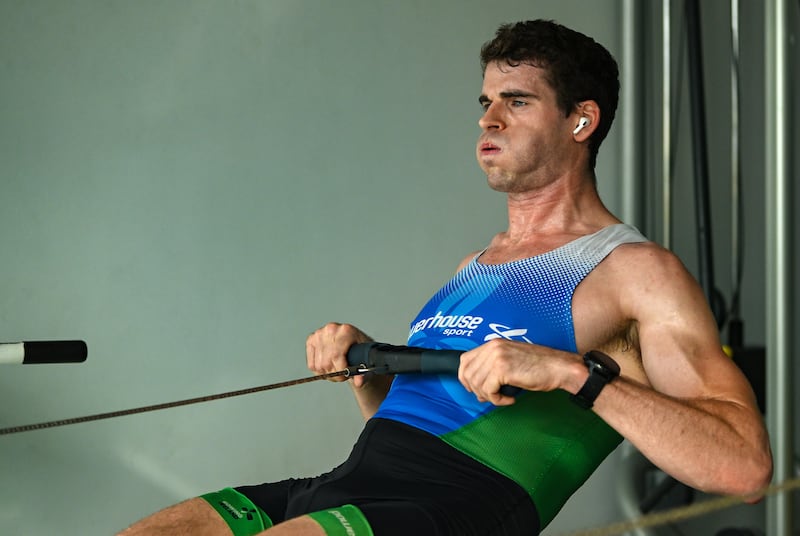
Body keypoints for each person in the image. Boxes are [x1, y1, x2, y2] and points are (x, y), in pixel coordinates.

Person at [119, 19, 772, 536]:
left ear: (581, 120)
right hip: (354, 483)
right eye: (486, 101)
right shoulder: (476, 267)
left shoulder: (637, 272)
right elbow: (419, 418)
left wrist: (574, 373)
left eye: (516, 102)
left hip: (457, 505)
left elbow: (743, 467)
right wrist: (368, 368)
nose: (488, 120)